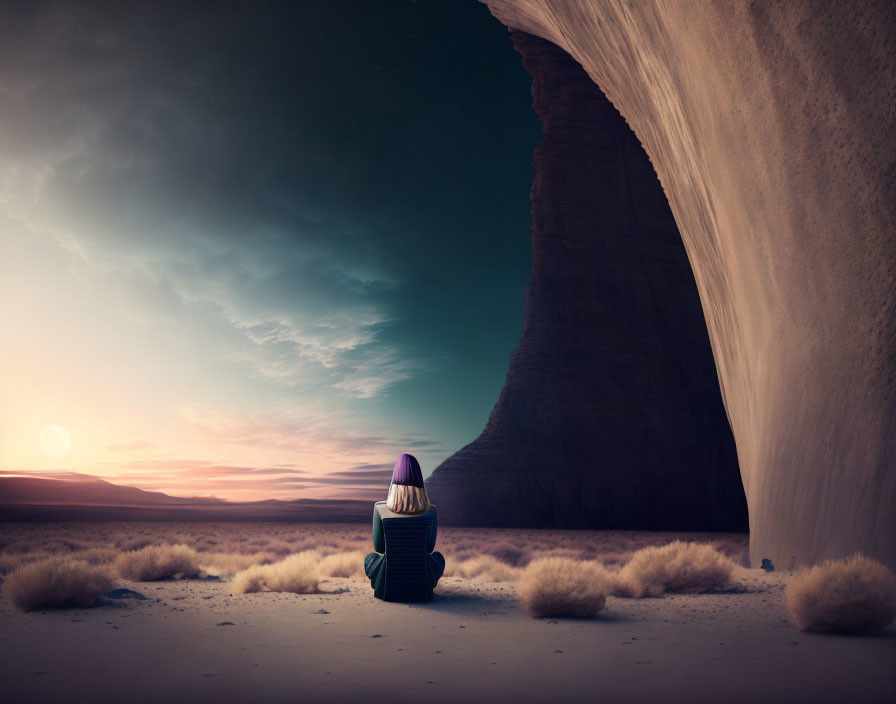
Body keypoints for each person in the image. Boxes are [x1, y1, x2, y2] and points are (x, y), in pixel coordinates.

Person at [364, 453, 445, 602]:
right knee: (439, 558)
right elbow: (429, 548)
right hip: (421, 588)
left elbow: (379, 548)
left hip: (387, 588)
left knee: (369, 558)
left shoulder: (380, 508)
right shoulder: (431, 511)